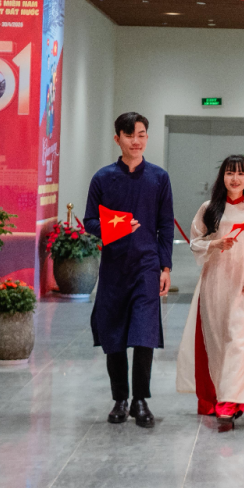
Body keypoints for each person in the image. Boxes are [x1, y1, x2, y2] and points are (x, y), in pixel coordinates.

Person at [84, 112, 174, 428]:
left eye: (141, 134)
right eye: (129, 135)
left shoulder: (159, 178)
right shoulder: (103, 178)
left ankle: (140, 400)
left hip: (147, 266)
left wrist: (165, 267)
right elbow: (90, 222)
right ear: (117, 139)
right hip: (114, 267)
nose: (136, 141)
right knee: (115, 333)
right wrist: (117, 225)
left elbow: (165, 226)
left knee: (145, 332)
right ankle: (120, 398)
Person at [177, 155, 244, 430]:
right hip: (215, 283)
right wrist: (215, 244)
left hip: (243, 284)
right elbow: (195, 242)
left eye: (241, 173)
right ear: (223, 177)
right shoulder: (209, 209)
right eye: (230, 173)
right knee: (217, 340)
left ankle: (229, 403)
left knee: (238, 340)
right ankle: (220, 397)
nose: (235, 178)